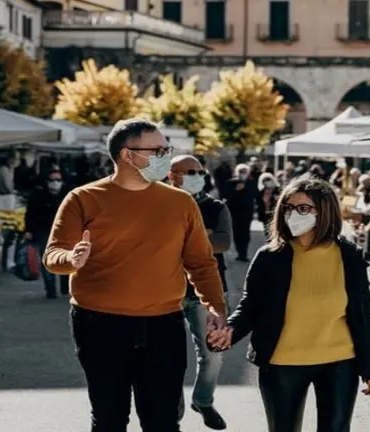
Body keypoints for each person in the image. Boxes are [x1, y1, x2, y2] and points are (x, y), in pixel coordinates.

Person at [43, 118, 227, 432]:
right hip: (98, 323)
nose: (165, 156)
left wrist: (216, 308)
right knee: (110, 418)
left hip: (163, 324)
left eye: (166, 149)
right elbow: (53, 256)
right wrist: (72, 258)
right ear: (128, 155)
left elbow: (201, 262)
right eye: (157, 150)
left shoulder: (181, 203)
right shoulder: (83, 198)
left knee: (162, 421)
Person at [209, 176, 370, 432]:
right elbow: (250, 307)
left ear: (324, 211)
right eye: (288, 208)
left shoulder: (349, 255)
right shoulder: (270, 257)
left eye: (303, 208)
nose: (293, 214)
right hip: (283, 362)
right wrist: (229, 332)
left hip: (339, 361)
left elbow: (363, 315)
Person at [169, 155, 231, 430]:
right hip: (167, 289)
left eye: (200, 171)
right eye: (189, 171)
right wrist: (202, 235)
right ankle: (173, 413)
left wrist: (182, 238)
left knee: (213, 353)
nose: (197, 175)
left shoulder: (216, 207)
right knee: (170, 358)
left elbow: (223, 242)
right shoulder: (161, 203)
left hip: (204, 289)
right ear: (172, 175)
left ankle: (203, 400)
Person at [24, 170, 69, 298]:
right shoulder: (38, 196)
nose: (55, 183)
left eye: (58, 180)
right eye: (52, 180)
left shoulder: (69, 195)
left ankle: (64, 285)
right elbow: (30, 215)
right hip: (43, 231)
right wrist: (28, 230)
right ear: (47, 182)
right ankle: (50, 289)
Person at [224, 163, 256, 262]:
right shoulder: (230, 183)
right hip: (234, 212)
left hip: (247, 213)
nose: (243, 173)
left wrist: (245, 188)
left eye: (244, 171)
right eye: (241, 171)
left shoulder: (251, 183)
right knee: (236, 233)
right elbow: (226, 196)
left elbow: (254, 195)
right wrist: (235, 190)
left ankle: (244, 253)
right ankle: (239, 252)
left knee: (245, 233)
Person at [256, 172, 280, 241]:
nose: (267, 182)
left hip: (275, 215)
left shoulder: (278, 190)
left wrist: (277, 199)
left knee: (276, 232)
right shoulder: (261, 192)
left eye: (268, 179)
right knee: (267, 234)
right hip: (265, 216)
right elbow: (259, 204)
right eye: (265, 180)